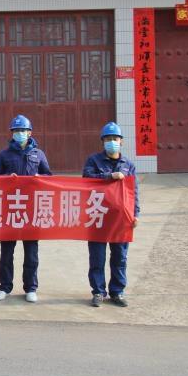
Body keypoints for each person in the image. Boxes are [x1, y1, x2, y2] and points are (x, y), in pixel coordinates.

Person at [0, 114, 52, 303]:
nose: (20, 133)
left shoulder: (38, 154)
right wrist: (6, 178)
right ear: (12, 133)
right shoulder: (4, 155)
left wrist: (40, 179)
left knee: (31, 252)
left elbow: (49, 177)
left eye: (23, 130)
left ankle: (31, 288)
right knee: (6, 252)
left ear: (30, 132)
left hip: (32, 210)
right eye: (16, 131)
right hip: (10, 209)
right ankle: (4, 287)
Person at [82, 122, 140, 307]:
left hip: (120, 219)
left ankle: (117, 292)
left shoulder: (128, 165)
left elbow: (133, 192)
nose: (112, 142)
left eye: (115, 139)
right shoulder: (93, 161)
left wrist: (135, 214)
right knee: (97, 258)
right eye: (108, 139)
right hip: (98, 215)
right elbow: (87, 179)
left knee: (119, 257)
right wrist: (109, 176)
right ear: (103, 142)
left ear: (121, 141)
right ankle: (98, 292)